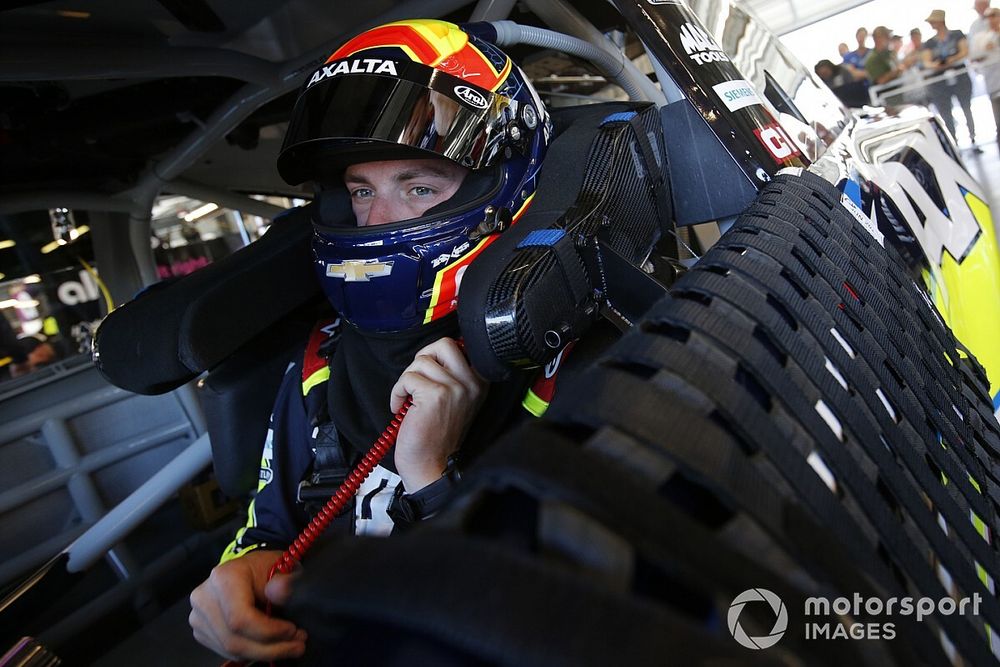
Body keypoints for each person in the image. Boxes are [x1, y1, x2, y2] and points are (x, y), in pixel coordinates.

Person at [189, 19, 554, 662]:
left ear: (498, 189)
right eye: (361, 191)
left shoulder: (563, 355)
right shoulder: (321, 359)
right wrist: (239, 580)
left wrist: (431, 477)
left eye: (418, 188)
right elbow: (266, 524)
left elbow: (568, 627)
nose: (376, 222)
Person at [922, 9, 980, 151]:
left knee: (966, 107)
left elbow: (964, 51)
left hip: (960, 77)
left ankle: (973, 138)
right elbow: (926, 61)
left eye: (933, 22)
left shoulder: (956, 34)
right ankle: (954, 143)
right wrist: (936, 65)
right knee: (946, 113)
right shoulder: (929, 43)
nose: (932, 24)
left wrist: (950, 60)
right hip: (940, 82)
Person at [866, 26, 904, 104]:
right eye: (886, 36)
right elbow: (881, 80)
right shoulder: (872, 59)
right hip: (886, 100)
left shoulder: (889, 53)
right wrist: (897, 70)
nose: (889, 39)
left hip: (899, 93)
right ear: (878, 38)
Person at [981, 7, 1000, 144]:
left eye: (994, 15)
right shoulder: (984, 38)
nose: (992, 19)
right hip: (993, 84)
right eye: (989, 17)